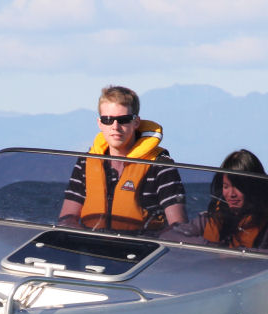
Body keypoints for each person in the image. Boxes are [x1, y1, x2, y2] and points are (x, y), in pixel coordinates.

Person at [58, 85, 187, 231]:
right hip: (91, 243)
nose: (115, 126)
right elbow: (66, 219)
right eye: (108, 119)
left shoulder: (161, 165)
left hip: (142, 244)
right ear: (100, 123)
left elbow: (178, 227)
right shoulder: (85, 162)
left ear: (136, 122)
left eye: (123, 120)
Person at [162, 149, 268, 257]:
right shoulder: (213, 218)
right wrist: (211, 247)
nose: (231, 194)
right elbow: (168, 236)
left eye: (238, 187)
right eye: (226, 186)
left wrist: (240, 253)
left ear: (254, 187)